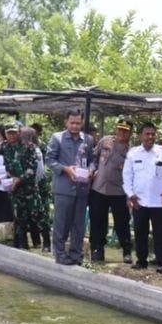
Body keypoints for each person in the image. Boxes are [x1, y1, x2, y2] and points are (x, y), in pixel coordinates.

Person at [123, 121, 162, 273]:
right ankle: (141, 260)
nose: (150, 137)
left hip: (158, 201)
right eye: (147, 134)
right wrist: (130, 194)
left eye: (153, 134)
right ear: (140, 135)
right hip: (139, 200)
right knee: (140, 232)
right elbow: (127, 176)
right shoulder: (133, 153)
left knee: (161, 234)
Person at [46, 108, 95, 265]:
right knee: (62, 223)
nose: (75, 126)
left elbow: (93, 160)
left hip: (81, 189)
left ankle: (76, 254)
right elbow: (50, 160)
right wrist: (66, 169)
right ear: (66, 122)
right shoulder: (57, 138)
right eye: (72, 123)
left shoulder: (87, 139)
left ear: (82, 123)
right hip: (64, 188)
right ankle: (60, 254)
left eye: (78, 123)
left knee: (78, 224)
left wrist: (91, 170)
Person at [88, 119, 134, 263]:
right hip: (99, 188)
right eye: (119, 129)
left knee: (122, 223)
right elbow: (94, 158)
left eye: (125, 130)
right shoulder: (105, 141)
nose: (121, 132)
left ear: (130, 133)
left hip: (119, 192)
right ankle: (97, 249)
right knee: (97, 221)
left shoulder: (131, 151)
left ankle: (126, 250)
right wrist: (91, 170)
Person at [30, 122, 53, 252]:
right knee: (31, 214)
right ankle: (36, 241)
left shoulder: (43, 147)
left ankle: (46, 242)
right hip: (29, 186)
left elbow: (47, 165)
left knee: (42, 214)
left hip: (41, 185)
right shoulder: (25, 147)